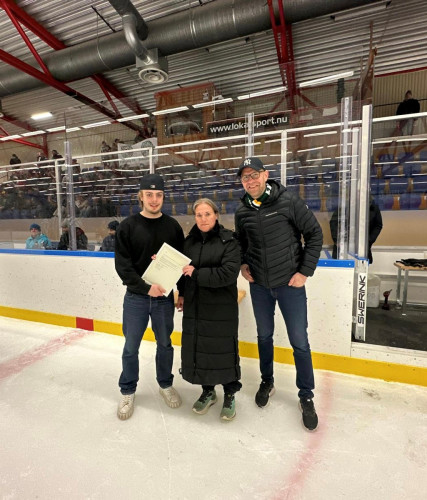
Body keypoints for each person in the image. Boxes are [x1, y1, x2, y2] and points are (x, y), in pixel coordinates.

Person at [234, 157, 323, 432]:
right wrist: (243, 264)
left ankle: (306, 395)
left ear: (265, 175)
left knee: (299, 341)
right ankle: (267, 381)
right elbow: (241, 243)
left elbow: (315, 234)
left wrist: (304, 272)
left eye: (254, 175)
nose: (250, 181)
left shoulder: (288, 201)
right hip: (260, 286)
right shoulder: (242, 210)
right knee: (264, 336)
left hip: (290, 285)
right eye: (245, 177)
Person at [114, 173, 185, 420]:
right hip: (136, 298)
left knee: (165, 343)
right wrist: (146, 288)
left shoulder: (173, 227)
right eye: (149, 195)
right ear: (141, 197)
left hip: (164, 299)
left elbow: (180, 264)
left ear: (163, 197)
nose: (154, 199)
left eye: (159, 195)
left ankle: (165, 384)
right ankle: (127, 390)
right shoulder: (127, 226)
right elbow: (123, 267)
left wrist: (182, 292)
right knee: (131, 346)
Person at [176, 198, 241, 421]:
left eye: (207, 214)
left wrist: (196, 273)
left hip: (221, 308)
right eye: (199, 215)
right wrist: (181, 292)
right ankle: (208, 391)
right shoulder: (189, 242)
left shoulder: (229, 240)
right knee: (201, 349)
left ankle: (230, 393)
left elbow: (228, 274)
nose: (203, 219)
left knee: (224, 350)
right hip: (196, 306)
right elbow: (182, 271)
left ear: (216, 215)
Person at [330, 195, 382, 264]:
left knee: (362, 267)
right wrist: (337, 240)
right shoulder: (345, 206)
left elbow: (378, 225)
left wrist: (369, 240)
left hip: (362, 247)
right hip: (344, 245)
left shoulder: (373, 208)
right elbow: (333, 222)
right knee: (341, 267)